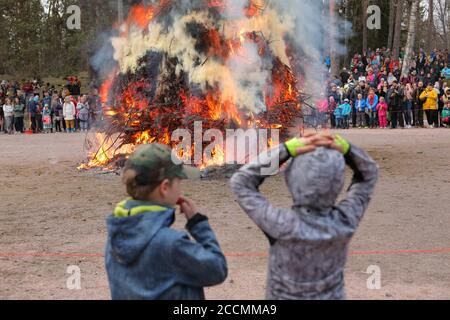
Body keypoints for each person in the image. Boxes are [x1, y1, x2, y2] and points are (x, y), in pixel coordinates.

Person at [230, 133, 379, 300]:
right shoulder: (344, 221)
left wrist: (286, 149)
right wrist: (347, 149)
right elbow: (369, 173)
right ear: (338, 182)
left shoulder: (282, 225)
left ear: (291, 178)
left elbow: (241, 182)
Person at [105, 144, 227, 300]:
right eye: (179, 182)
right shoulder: (171, 244)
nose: (180, 189)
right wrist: (198, 223)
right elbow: (217, 269)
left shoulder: (114, 237)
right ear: (165, 187)